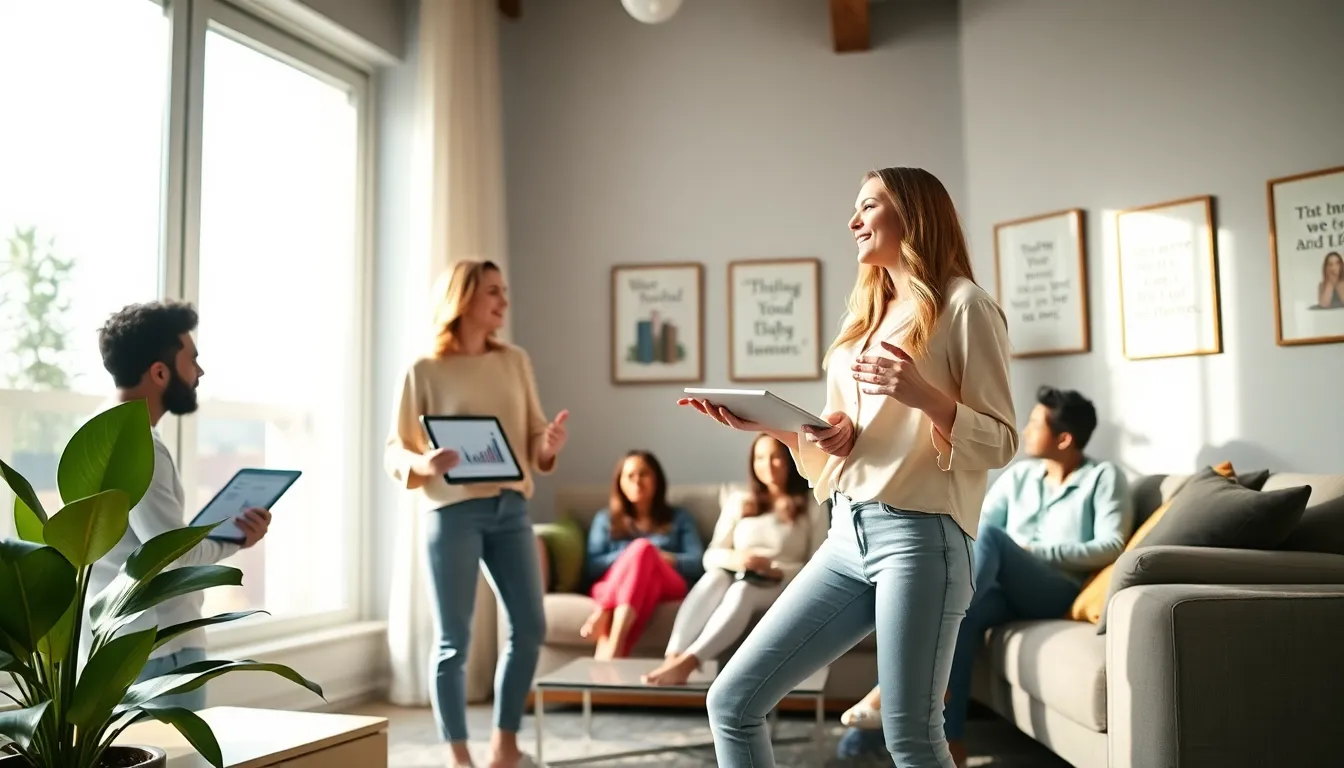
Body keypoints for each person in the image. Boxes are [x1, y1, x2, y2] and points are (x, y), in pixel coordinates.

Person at [680, 166, 1018, 768]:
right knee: (732, 701)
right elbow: (846, 445)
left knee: (912, 736)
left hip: (923, 539)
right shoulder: (866, 315)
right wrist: (770, 426)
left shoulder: (965, 306)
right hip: (846, 534)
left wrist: (925, 396)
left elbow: (1000, 442)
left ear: (912, 214)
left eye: (867, 206)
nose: (852, 221)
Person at [836, 386, 1133, 765]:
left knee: (988, 548)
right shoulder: (1021, 477)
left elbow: (1112, 545)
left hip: (1057, 590)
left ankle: (890, 690)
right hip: (1002, 588)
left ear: (1064, 438)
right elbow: (974, 529)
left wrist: (1029, 552)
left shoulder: (1103, 478)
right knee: (962, 616)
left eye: (1034, 424)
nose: (1024, 430)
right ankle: (951, 744)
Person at [384, 259, 568, 768]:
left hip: (511, 508)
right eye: (493, 292)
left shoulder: (514, 361)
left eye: (503, 291)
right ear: (463, 299)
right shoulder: (423, 369)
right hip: (452, 512)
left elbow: (534, 439)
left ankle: (503, 747)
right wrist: (425, 462)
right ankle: (459, 757)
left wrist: (547, 442)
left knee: (529, 627)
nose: (504, 302)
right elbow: (394, 450)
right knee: (454, 641)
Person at [85, 300, 272, 712]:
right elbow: (171, 556)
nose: (200, 373)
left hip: (114, 646)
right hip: (160, 650)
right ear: (159, 372)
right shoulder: (141, 446)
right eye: (193, 361)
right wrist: (234, 538)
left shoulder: (97, 431)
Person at [643, 433, 826, 686]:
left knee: (743, 589)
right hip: (736, 571)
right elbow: (711, 555)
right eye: (760, 458)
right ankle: (673, 656)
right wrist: (737, 559)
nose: (768, 465)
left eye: (776, 457)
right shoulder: (740, 500)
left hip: (781, 582)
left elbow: (819, 565)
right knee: (715, 577)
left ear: (790, 460)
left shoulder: (812, 503)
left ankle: (689, 663)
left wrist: (777, 570)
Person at [580, 450, 705, 659]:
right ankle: (615, 651)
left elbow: (697, 562)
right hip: (621, 585)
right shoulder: (605, 519)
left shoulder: (679, 517)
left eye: (644, 474)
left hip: (671, 583)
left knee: (644, 549)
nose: (637, 481)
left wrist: (661, 557)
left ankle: (605, 611)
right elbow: (593, 565)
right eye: (630, 476)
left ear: (657, 480)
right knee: (644, 564)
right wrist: (634, 556)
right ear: (619, 483)